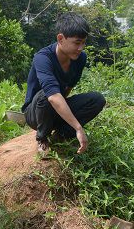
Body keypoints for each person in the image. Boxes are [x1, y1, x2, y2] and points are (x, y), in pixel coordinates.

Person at [21, 12, 106, 158]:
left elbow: (68, 88)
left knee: (97, 99)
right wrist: (78, 128)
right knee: (46, 95)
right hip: (35, 113)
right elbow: (53, 97)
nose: (81, 48)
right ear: (61, 39)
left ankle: (61, 135)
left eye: (84, 42)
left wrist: (66, 117)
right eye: (77, 42)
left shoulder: (80, 58)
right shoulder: (42, 58)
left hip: (54, 108)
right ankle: (42, 138)